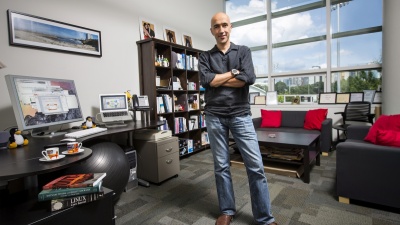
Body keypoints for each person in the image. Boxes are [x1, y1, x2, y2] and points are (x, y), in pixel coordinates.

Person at [199, 12, 278, 225]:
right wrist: (234, 74)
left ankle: (265, 218)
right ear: (212, 31)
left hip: (240, 115)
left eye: (224, 25)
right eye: (217, 26)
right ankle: (226, 210)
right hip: (214, 115)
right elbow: (206, 80)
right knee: (221, 166)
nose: (221, 30)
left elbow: (249, 78)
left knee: (255, 166)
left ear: (230, 27)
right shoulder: (205, 56)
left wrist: (218, 80)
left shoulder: (243, 51)